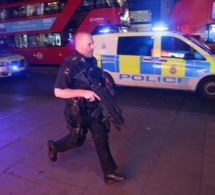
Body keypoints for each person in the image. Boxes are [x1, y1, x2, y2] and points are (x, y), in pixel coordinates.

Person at [47, 31, 125, 184]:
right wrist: (83, 92)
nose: (93, 47)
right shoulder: (69, 65)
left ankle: (109, 173)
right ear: (80, 45)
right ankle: (54, 146)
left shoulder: (92, 61)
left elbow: (96, 82)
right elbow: (58, 91)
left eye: (93, 43)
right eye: (90, 44)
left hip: (94, 110)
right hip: (78, 112)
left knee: (102, 138)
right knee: (76, 141)